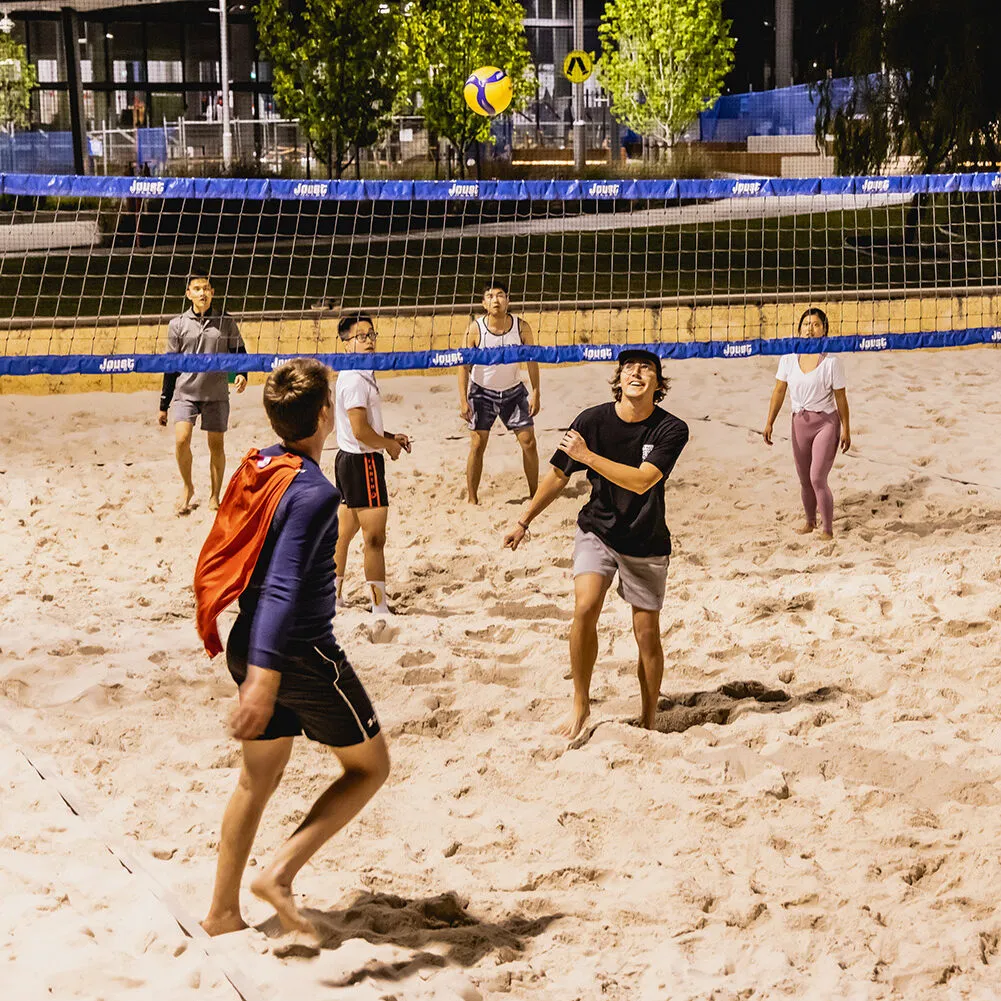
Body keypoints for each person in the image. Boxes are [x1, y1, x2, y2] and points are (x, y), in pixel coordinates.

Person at [198, 357, 389, 939]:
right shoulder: (312, 492)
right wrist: (264, 677)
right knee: (370, 768)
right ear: (326, 414)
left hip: (247, 636)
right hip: (297, 654)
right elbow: (282, 583)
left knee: (257, 779)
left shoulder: (260, 464)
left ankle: (222, 913)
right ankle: (278, 874)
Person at [503, 348, 689, 741]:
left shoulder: (672, 429)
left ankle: (650, 718)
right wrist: (523, 520)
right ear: (618, 379)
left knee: (646, 633)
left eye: (647, 369)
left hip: (645, 537)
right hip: (598, 529)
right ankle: (580, 702)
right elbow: (557, 476)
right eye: (629, 368)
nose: (636, 373)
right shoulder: (591, 419)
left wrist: (587, 455)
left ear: (658, 382)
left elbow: (642, 481)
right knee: (585, 607)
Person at [333, 314, 411, 615]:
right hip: (362, 462)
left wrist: (391, 435)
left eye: (370, 335)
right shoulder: (354, 378)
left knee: (343, 534)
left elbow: (366, 426)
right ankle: (379, 608)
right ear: (346, 344)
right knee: (375, 539)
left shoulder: (361, 372)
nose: (368, 341)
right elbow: (360, 431)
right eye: (360, 336)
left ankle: (333, 597)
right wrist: (389, 446)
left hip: (348, 460)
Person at [158, 268, 247, 515]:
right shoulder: (177, 324)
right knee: (181, 439)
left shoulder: (225, 321)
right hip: (185, 392)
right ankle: (187, 487)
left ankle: (215, 495)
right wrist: (163, 404)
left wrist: (242, 373)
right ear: (188, 294)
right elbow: (171, 365)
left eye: (206, 288)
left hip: (216, 392)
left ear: (212, 292)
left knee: (216, 445)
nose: (202, 293)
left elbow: (240, 353)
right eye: (197, 289)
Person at [762, 307, 852, 539]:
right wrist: (769, 422)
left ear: (824, 330)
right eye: (806, 324)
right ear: (799, 329)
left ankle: (827, 530)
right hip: (799, 423)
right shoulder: (789, 359)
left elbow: (841, 398)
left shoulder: (832, 362)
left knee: (817, 478)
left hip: (826, 423)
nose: (810, 328)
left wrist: (846, 429)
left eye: (816, 324)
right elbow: (779, 391)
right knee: (804, 480)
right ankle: (810, 522)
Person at [458, 281, 541, 504]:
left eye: (501, 295)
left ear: (508, 300)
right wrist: (463, 401)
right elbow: (463, 366)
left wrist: (536, 392)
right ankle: (472, 499)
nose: (496, 300)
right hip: (482, 393)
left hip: (513, 393)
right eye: (491, 296)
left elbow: (532, 360)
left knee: (529, 442)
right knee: (477, 444)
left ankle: (535, 495)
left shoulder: (521, 327)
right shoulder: (475, 329)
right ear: (484, 303)